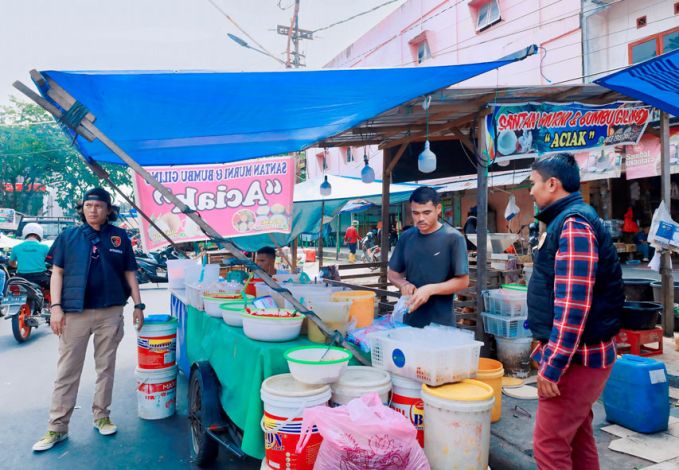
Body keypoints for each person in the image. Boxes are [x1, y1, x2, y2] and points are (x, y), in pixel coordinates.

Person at [527, 153, 624, 470]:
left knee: (549, 445)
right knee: (578, 437)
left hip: (578, 359)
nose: (531, 191)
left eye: (533, 183)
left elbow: (573, 306)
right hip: (581, 355)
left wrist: (552, 365)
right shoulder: (567, 219)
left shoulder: (573, 225)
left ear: (552, 184)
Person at [33, 187, 144, 452]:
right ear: (82, 209)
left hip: (110, 312)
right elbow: (57, 273)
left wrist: (138, 305)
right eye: (88, 205)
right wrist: (56, 308)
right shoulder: (69, 236)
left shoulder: (120, 237)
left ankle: (102, 416)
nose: (92, 209)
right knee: (67, 372)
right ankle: (57, 428)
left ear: (108, 210)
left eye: (98, 205)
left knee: (105, 368)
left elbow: (130, 273)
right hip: (75, 313)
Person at [387, 186, 469, 327]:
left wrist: (429, 289)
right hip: (409, 320)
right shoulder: (407, 237)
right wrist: (404, 284)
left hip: (441, 323)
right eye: (415, 213)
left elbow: (463, 281)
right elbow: (392, 273)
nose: (420, 218)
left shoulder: (453, 238)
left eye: (426, 212)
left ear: (438, 209)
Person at [9, 223, 50, 289]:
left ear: (25, 233)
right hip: (40, 278)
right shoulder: (45, 247)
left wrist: (18, 266)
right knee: (55, 287)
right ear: (39, 234)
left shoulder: (16, 247)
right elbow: (52, 262)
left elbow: (11, 263)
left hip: (21, 277)